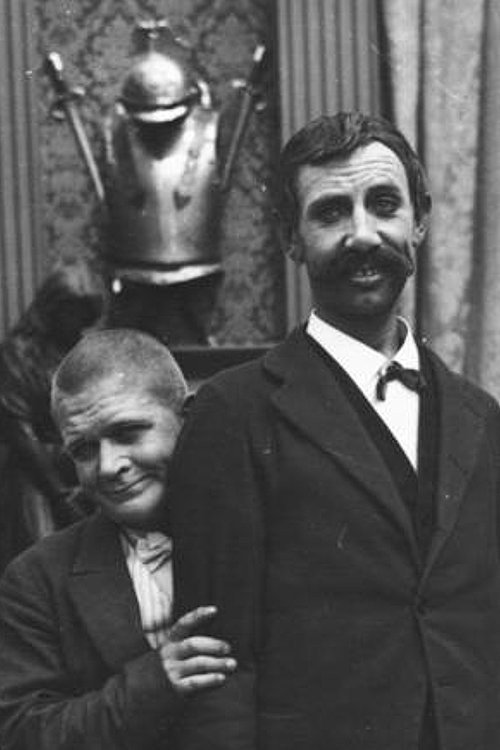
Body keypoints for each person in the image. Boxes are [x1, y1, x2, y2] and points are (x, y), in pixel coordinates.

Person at [169, 112, 500, 750]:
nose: (362, 234)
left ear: (420, 220)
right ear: (290, 238)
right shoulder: (232, 413)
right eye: (330, 212)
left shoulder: (481, 417)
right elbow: (219, 667)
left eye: (384, 205)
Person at [0, 328, 237, 750]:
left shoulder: (266, 530)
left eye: (128, 433)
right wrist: (152, 685)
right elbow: (19, 733)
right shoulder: (36, 579)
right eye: (83, 450)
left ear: (188, 419)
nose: (109, 466)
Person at [0, 259, 107, 572]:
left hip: (82, 460)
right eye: (72, 311)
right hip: (36, 470)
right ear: (52, 307)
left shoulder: (84, 352)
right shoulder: (18, 354)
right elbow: (19, 431)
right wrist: (58, 495)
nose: (78, 322)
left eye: (85, 313)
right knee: (40, 554)